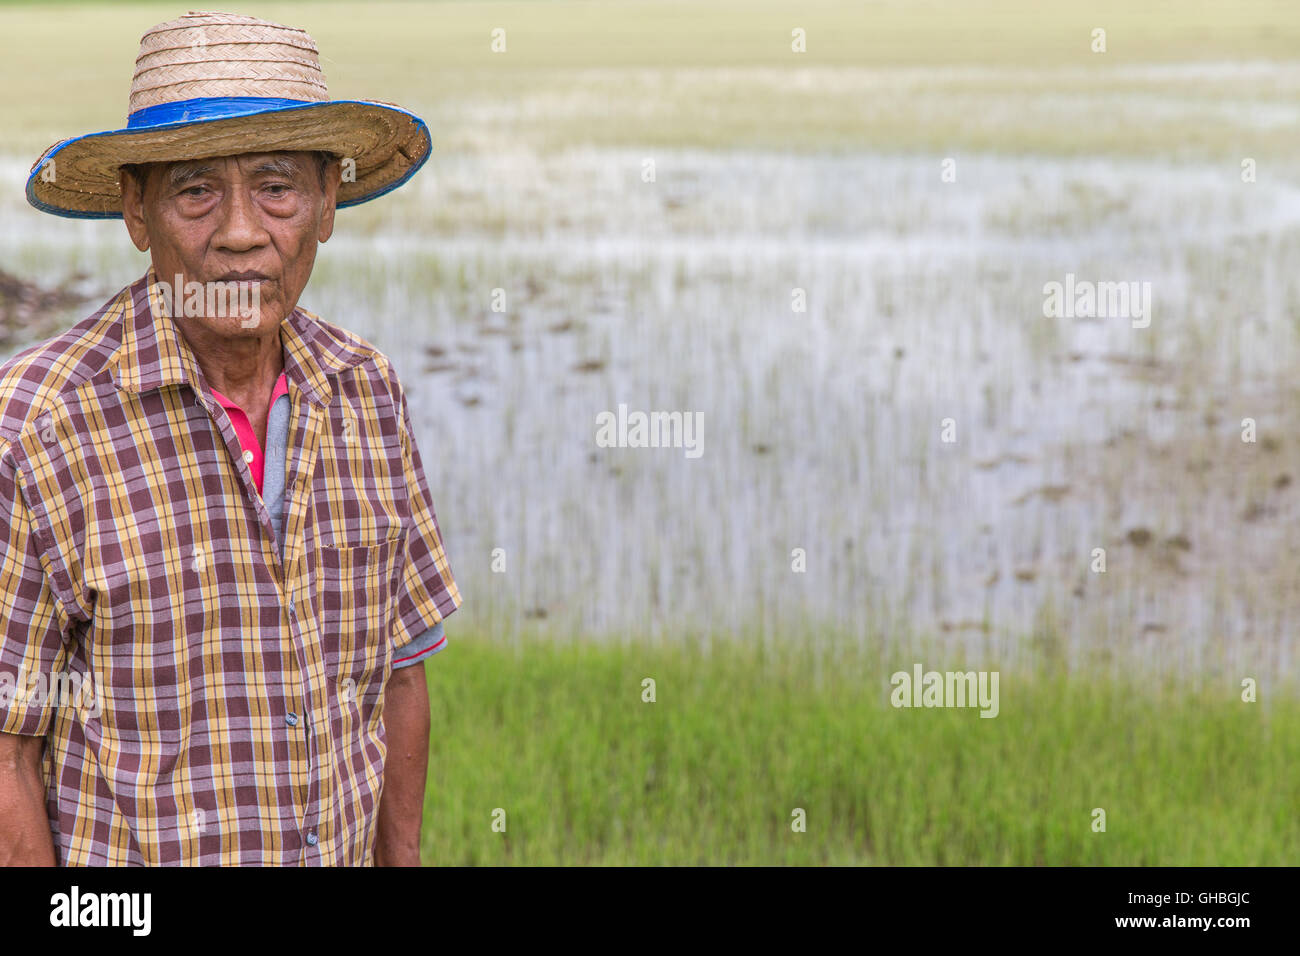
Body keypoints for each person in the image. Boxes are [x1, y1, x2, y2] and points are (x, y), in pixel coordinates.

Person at [0, 11, 460, 865]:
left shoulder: (369, 392)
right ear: (137, 211)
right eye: (195, 189)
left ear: (327, 203)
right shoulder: (37, 424)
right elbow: (8, 750)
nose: (243, 231)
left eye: (278, 186)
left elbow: (400, 673)